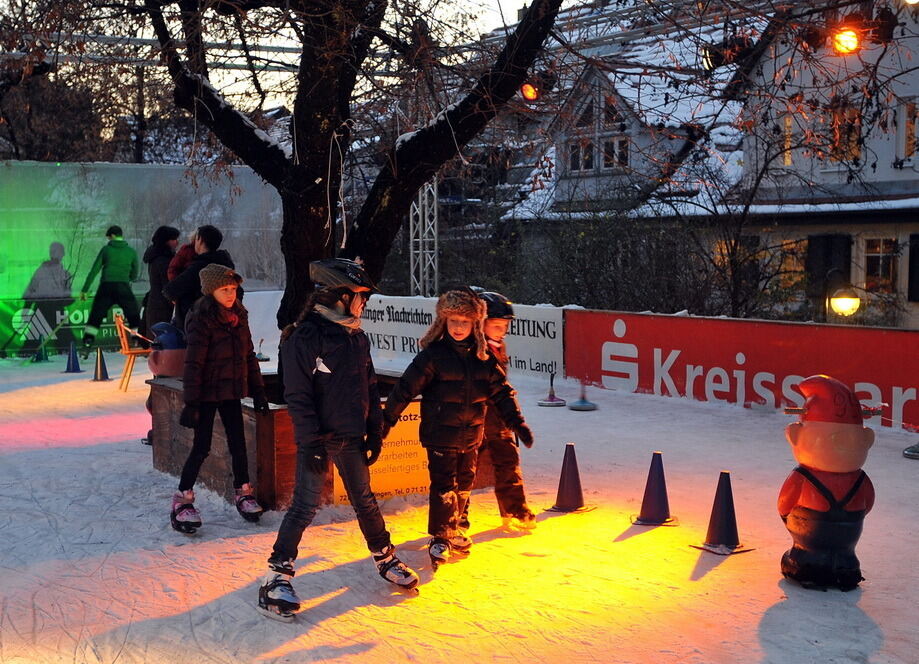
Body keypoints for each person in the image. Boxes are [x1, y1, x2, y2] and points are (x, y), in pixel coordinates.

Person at [258, 258, 419, 622]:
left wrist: (375, 430)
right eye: (361, 296)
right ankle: (276, 575)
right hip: (320, 438)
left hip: (350, 436)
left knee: (365, 499)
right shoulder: (305, 337)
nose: (365, 304)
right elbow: (297, 397)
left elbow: (369, 384)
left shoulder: (355, 335)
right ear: (341, 296)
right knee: (304, 506)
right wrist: (311, 444)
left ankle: (383, 555)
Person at [382, 288, 533, 569]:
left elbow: (501, 391)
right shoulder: (433, 356)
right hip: (440, 435)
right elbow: (404, 389)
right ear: (444, 322)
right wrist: (386, 421)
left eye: (465, 322)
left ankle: (454, 527)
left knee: (464, 485)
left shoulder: (483, 357)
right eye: (453, 321)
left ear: (474, 324)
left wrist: (517, 422)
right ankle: (440, 535)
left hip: (470, 435)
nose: (459, 327)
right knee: (443, 486)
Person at [171, 263, 269, 534]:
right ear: (210, 291)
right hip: (205, 394)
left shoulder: (239, 315)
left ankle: (244, 492)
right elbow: (193, 364)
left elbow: (249, 355)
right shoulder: (201, 318)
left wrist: (259, 391)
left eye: (234, 289)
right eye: (224, 289)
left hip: (230, 392)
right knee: (201, 447)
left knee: (238, 444)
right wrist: (191, 403)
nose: (230, 294)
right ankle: (183, 497)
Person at [459, 291, 537, 533]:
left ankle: (514, 509)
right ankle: (458, 517)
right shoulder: (470, 350)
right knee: (464, 470)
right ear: (480, 323)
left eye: (504, 326)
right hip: (472, 419)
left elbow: (501, 386)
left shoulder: (498, 346)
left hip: (498, 419)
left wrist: (511, 418)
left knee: (508, 461)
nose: (502, 331)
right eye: (496, 325)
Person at [79, 225, 141, 356]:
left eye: (108, 237)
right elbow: (135, 274)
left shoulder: (106, 250)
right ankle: (136, 340)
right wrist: (127, 277)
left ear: (112, 236)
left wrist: (85, 290)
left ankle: (88, 342)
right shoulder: (131, 252)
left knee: (96, 315)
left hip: (106, 287)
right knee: (133, 314)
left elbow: (94, 270)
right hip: (123, 286)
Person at [162, 225, 234, 332]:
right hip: (223, 324)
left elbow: (170, 290)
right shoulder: (226, 264)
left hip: (197, 325)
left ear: (200, 240)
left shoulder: (198, 268)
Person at [143, 225, 180, 334]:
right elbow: (167, 286)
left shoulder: (155, 258)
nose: (177, 242)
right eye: (173, 239)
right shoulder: (164, 261)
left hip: (155, 305)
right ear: (165, 241)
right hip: (163, 309)